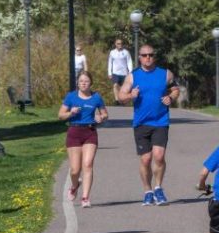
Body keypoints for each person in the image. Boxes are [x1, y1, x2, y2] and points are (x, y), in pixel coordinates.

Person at [118, 43, 181, 206]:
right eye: (144, 55)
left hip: (160, 121)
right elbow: (120, 96)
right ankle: (147, 190)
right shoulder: (133, 76)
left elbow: (175, 89)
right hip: (141, 123)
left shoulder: (165, 74)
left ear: (154, 56)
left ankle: (158, 188)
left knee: (159, 156)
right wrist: (131, 95)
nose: (148, 58)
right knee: (146, 159)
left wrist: (171, 98)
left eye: (151, 55)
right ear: (139, 58)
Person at [58, 71, 108, 207]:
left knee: (87, 164)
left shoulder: (96, 97)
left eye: (86, 81)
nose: (84, 83)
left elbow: (105, 114)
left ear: (90, 83)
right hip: (74, 132)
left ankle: (85, 198)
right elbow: (60, 115)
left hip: (90, 132)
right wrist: (70, 112)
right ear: (78, 83)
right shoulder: (71, 97)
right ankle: (75, 186)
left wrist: (101, 117)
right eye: (81, 81)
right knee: (75, 169)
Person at [106, 38, 133, 104]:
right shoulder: (112, 52)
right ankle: (117, 100)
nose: (120, 45)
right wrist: (109, 73)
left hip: (124, 73)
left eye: (121, 43)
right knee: (115, 85)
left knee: (123, 88)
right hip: (115, 73)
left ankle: (122, 100)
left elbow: (129, 62)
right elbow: (110, 63)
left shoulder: (126, 52)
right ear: (115, 44)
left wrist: (130, 72)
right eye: (118, 43)